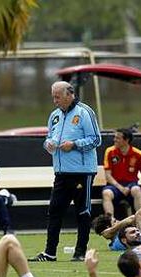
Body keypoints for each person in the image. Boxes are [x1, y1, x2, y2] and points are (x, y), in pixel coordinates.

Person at [30, 81, 101, 262]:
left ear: (70, 95)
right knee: (54, 210)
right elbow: (48, 138)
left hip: (82, 172)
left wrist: (75, 145)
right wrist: (49, 144)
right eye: (53, 97)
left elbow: (96, 139)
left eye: (57, 97)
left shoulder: (85, 112)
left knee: (82, 211)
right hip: (61, 172)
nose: (55, 101)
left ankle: (80, 251)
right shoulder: (54, 116)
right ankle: (49, 252)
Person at [102, 128, 141, 217]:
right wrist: (121, 188)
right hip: (114, 185)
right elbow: (108, 175)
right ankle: (110, 222)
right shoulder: (110, 152)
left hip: (131, 184)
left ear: (126, 140)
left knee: (136, 190)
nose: (114, 140)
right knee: (106, 193)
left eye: (118, 138)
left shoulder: (137, 153)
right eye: (114, 137)